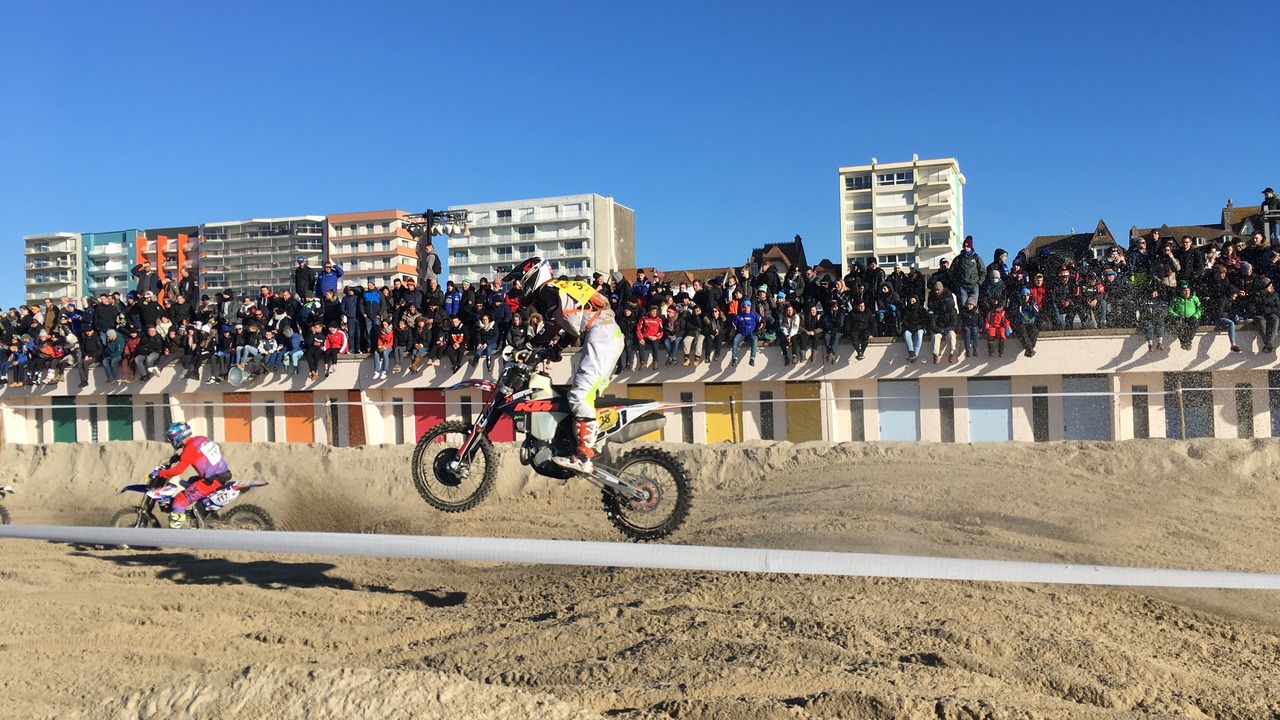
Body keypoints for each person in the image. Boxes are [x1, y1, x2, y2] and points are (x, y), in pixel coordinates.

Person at [504, 257, 624, 474]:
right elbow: (570, 326)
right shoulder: (559, 289)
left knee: (579, 395)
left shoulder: (548, 291)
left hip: (602, 334)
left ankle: (584, 454)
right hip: (602, 333)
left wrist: (530, 346)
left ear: (533, 276)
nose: (520, 288)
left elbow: (552, 325)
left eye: (521, 282)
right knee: (583, 396)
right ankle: (573, 444)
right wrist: (556, 348)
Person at [152, 421, 232, 529]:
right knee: (190, 481)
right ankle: (197, 516)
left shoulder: (188, 451)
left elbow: (178, 470)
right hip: (222, 473)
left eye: (171, 438)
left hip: (211, 481)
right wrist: (179, 457)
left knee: (180, 499)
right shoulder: (201, 439)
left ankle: (175, 535)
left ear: (178, 436)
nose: (170, 440)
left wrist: (161, 473)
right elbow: (198, 453)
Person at [1167, 281, 1203, 350]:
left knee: (1194, 324)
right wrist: (1175, 316)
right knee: (1178, 324)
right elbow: (1170, 309)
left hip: (1192, 318)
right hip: (1180, 318)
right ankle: (1183, 342)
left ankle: (1188, 341)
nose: (1187, 292)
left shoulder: (1194, 298)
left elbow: (1200, 308)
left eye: (1188, 290)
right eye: (1184, 291)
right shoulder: (1176, 299)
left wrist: (1196, 316)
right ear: (1181, 292)